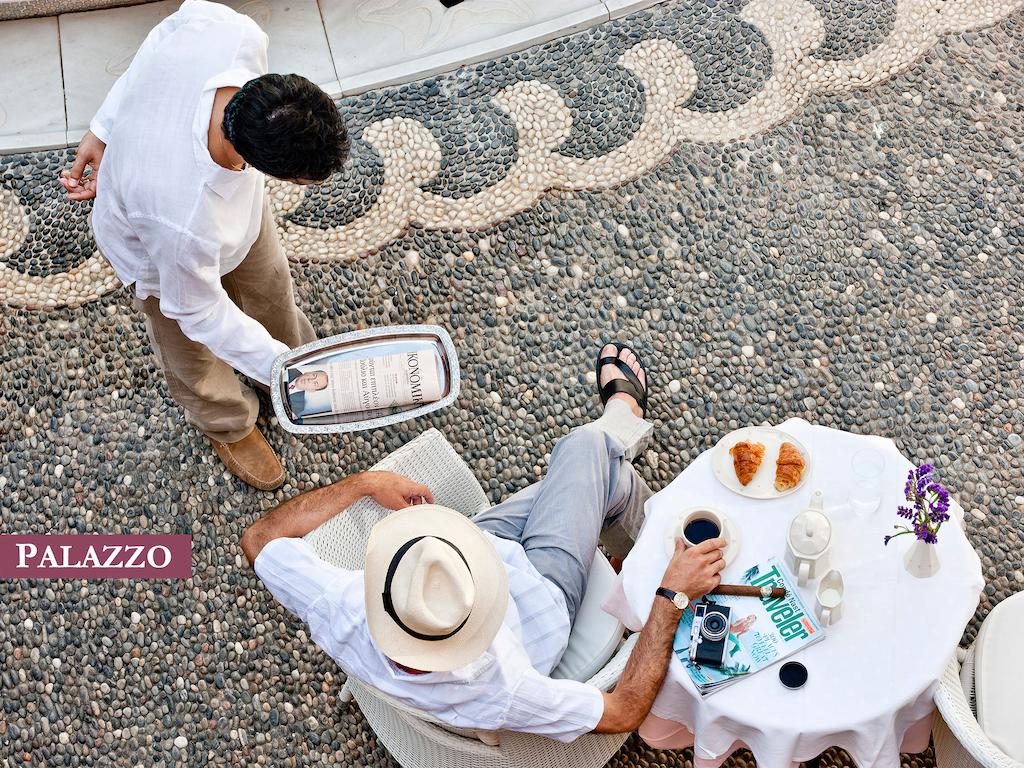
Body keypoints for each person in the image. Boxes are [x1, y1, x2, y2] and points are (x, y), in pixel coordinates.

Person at [241, 343, 727, 741]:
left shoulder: (341, 606)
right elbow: (623, 712)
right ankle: (641, 476)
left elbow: (259, 539)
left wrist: (365, 483)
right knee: (586, 450)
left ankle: (628, 478)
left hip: (475, 544)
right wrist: (670, 596)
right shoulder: (500, 686)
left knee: (598, 474)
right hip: (540, 591)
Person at [58, 0, 350, 490]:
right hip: (156, 247)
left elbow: (164, 33)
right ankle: (227, 421)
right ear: (262, 163)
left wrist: (102, 126)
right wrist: (277, 368)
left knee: (270, 284)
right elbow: (198, 311)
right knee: (189, 347)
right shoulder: (181, 219)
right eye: (305, 181)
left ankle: (296, 363)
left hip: (229, 211)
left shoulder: (235, 35)